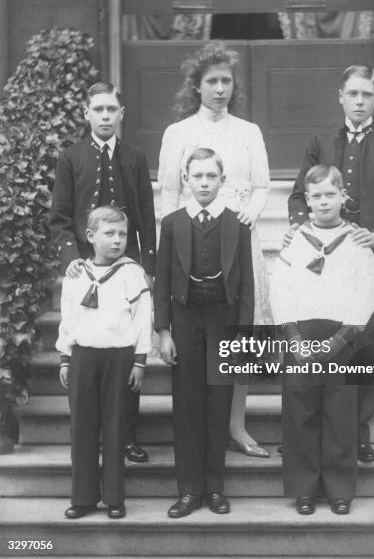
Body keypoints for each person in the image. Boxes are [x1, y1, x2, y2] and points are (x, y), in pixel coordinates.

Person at [287, 65, 374, 462]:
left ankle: (358, 429)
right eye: (352, 94)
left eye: (367, 95)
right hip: (326, 266)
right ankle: (323, 430)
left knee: (371, 343)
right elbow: (297, 197)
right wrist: (301, 230)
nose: (359, 102)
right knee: (325, 340)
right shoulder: (321, 142)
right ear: (340, 97)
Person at [158, 41, 271, 457]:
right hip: (192, 248)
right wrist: (172, 249)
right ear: (196, 85)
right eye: (212, 81)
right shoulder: (178, 133)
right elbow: (169, 195)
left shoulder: (248, 132)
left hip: (237, 244)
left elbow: (261, 186)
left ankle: (236, 424)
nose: (220, 89)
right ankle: (198, 426)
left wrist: (247, 218)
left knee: (238, 336)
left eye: (226, 81)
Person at [49, 82, 156, 463]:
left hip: (125, 271)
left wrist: (148, 265)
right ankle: (88, 436)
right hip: (86, 270)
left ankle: (125, 435)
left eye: (112, 109)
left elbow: (144, 215)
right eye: (99, 110)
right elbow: (59, 216)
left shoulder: (135, 158)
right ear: (87, 113)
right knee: (90, 353)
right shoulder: (71, 157)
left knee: (123, 352)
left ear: (122, 114)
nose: (106, 116)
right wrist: (69, 259)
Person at [154, 148, 254, 518]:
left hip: (224, 321)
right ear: (187, 180)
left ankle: (214, 488)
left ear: (222, 180)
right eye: (198, 177)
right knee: (187, 406)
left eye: (212, 176)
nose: (205, 183)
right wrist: (163, 332)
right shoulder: (173, 223)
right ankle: (189, 490)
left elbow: (247, 285)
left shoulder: (237, 224)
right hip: (184, 321)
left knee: (218, 405)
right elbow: (162, 280)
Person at [272, 165, 374, 515]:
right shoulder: (295, 241)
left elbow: (366, 294)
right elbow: (280, 289)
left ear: (343, 197)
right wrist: (293, 336)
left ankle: (339, 487)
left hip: (343, 339)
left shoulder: (358, 243)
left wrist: (342, 338)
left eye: (330, 194)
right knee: (301, 412)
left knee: (340, 413)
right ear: (307, 201)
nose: (324, 202)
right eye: (316, 196)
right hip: (301, 335)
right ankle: (304, 487)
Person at [57, 206, 152, 519]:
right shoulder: (75, 274)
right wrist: (65, 359)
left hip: (119, 357)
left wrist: (140, 361)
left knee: (114, 427)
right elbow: (68, 318)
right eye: (109, 233)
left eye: (122, 234)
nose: (117, 241)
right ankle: (83, 497)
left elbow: (141, 319)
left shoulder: (132, 273)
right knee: (82, 427)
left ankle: (114, 497)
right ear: (90, 236)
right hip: (83, 355)